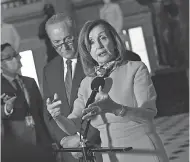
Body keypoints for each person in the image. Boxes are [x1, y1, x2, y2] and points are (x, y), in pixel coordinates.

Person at [47, 19, 169, 162]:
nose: (98, 46)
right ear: (87, 50)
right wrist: (58, 117)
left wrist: (116, 108)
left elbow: (148, 114)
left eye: (103, 38)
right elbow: (73, 126)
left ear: (113, 40)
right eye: (91, 42)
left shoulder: (136, 68)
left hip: (144, 151)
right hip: (111, 156)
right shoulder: (87, 83)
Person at [43, 13, 101, 162]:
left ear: (76, 33)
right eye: (57, 42)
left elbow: (104, 106)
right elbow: (48, 113)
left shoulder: (95, 60)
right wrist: (64, 141)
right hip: (68, 152)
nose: (64, 47)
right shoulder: (49, 69)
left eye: (68, 39)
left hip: (98, 146)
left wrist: (81, 139)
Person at [1, 43, 54, 162]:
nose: (15, 59)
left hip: (42, 141)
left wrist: (51, 140)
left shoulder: (29, 82)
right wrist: (6, 108)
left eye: (15, 55)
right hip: (17, 147)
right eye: (9, 57)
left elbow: (41, 113)